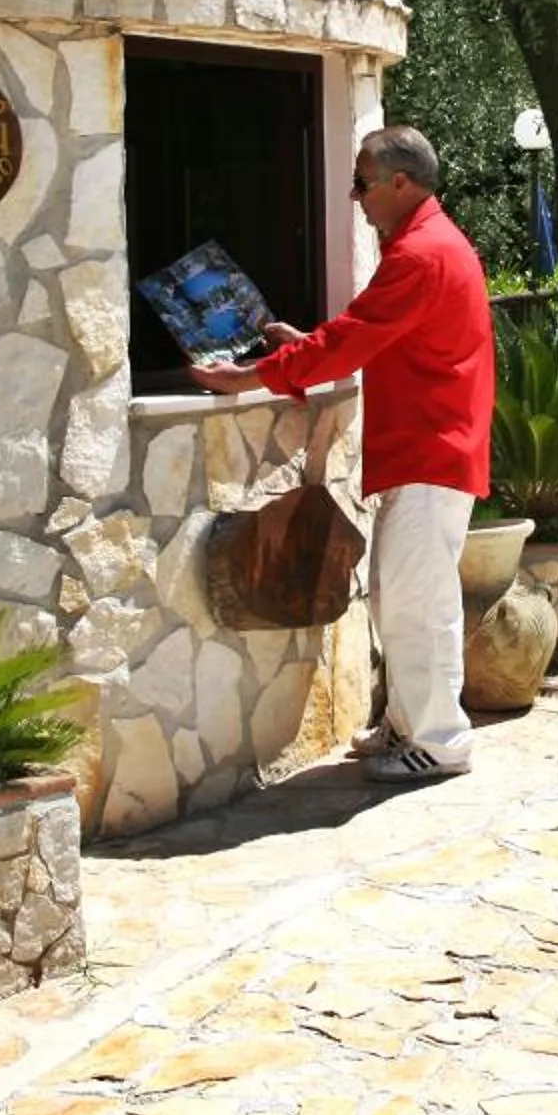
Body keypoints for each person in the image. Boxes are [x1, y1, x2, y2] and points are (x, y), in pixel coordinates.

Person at [188, 125, 494, 783]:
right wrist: (304, 347)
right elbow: (368, 338)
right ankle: (408, 726)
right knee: (395, 596)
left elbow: (352, 340)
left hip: (431, 453)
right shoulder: (425, 245)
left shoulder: (421, 255)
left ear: (400, 184)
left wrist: (250, 375)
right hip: (427, 451)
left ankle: (440, 742)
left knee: (416, 602)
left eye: (361, 183)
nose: (354, 197)